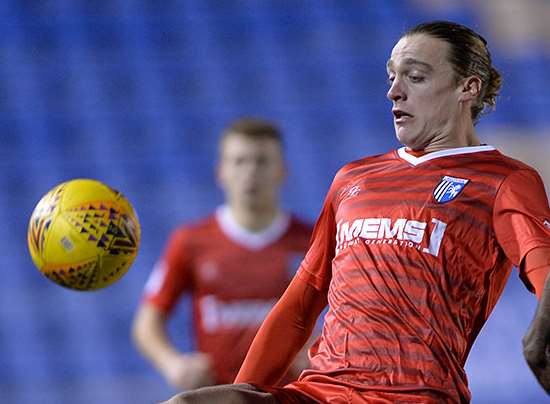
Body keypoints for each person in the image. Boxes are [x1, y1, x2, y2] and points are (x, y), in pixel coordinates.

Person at [161, 20, 550, 404]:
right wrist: (245, 393)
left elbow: (545, 272)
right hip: (318, 392)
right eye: (391, 78)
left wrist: (539, 336)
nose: (394, 92)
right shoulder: (354, 178)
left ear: (468, 87)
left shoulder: (503, 180)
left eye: (415, 77)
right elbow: (300, 305)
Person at [132, 118, 313, 391]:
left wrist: (322, 351)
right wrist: (174, 364)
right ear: (221, 171)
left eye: (262, 161)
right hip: (217, 394)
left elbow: (354, 311)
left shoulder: (312, 240)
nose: (251, 172)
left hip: (288, 395)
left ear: (282, 170)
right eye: (240, 162)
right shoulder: (191, 241)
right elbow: (146, 324)